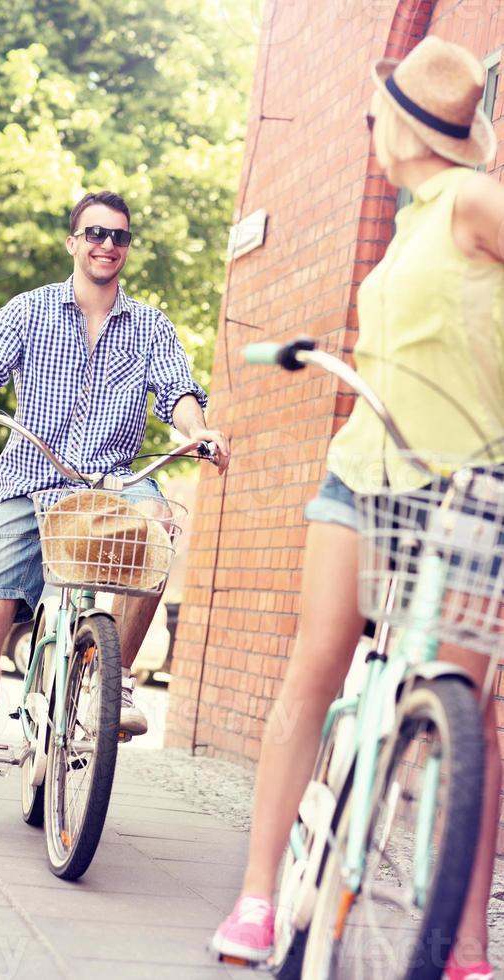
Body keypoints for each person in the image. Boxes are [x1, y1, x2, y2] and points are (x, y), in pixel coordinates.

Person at [212, 37, 503, 980]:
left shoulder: (466, 201)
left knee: (470, 711)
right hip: (365, 473)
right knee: (318, 663)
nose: (367, 128)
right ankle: (260, 899)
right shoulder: (411, 222)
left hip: (469, 489)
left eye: (376, 115)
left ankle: (462, 947)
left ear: (405, 127)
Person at [0, 190, 230, 831]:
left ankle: (109, 687)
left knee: (158, 534)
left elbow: (178, 391)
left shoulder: (149, 326)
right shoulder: (31, 310)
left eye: (118, 236)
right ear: (73, 241)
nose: (106, 245)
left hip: (113, 483)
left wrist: (198, 430)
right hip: (32, 478)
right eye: (94, 233)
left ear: (126, 247)